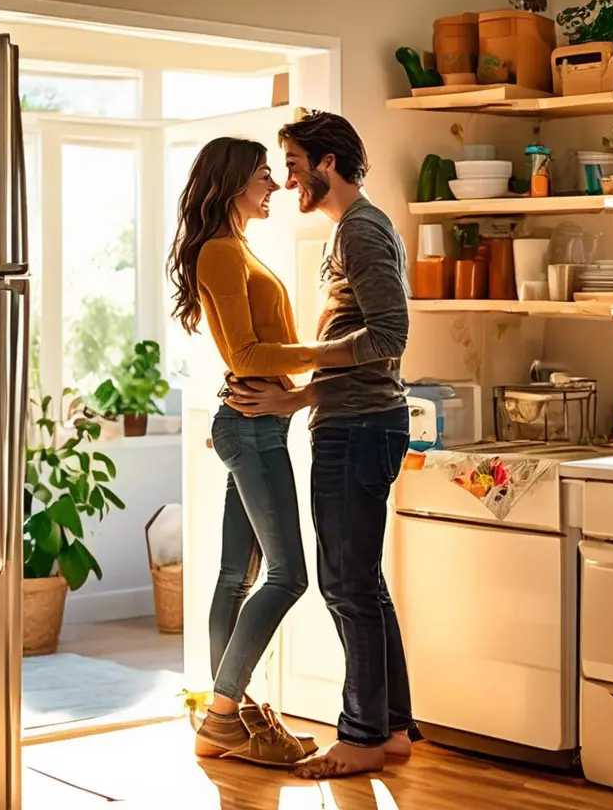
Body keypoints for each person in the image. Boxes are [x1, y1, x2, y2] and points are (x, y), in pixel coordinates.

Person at [224, 111, 414, 779]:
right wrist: (299, 396)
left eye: (296, 164)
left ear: (327, 162)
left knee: (344, 584)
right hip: (357, 420)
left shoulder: (361, 230)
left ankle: (361, 736)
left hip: (359, 430)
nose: (288, 178)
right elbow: (361, 358)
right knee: (362, 583)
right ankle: (389, 731)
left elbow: (389, 337)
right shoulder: (353, 230)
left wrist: (301, 363)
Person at [166, 136, 360, 767]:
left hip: (253, 422)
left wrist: (301, 374)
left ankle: (234, 718)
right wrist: (333, 354)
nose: (274, 185)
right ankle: (224, 712)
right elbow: (244, 356)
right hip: (250, 426)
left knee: (235, 576)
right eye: (261, 177)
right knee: (288, 576)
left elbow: (255, 350)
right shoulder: (221, 253)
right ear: (230, 185)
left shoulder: (237, 248)